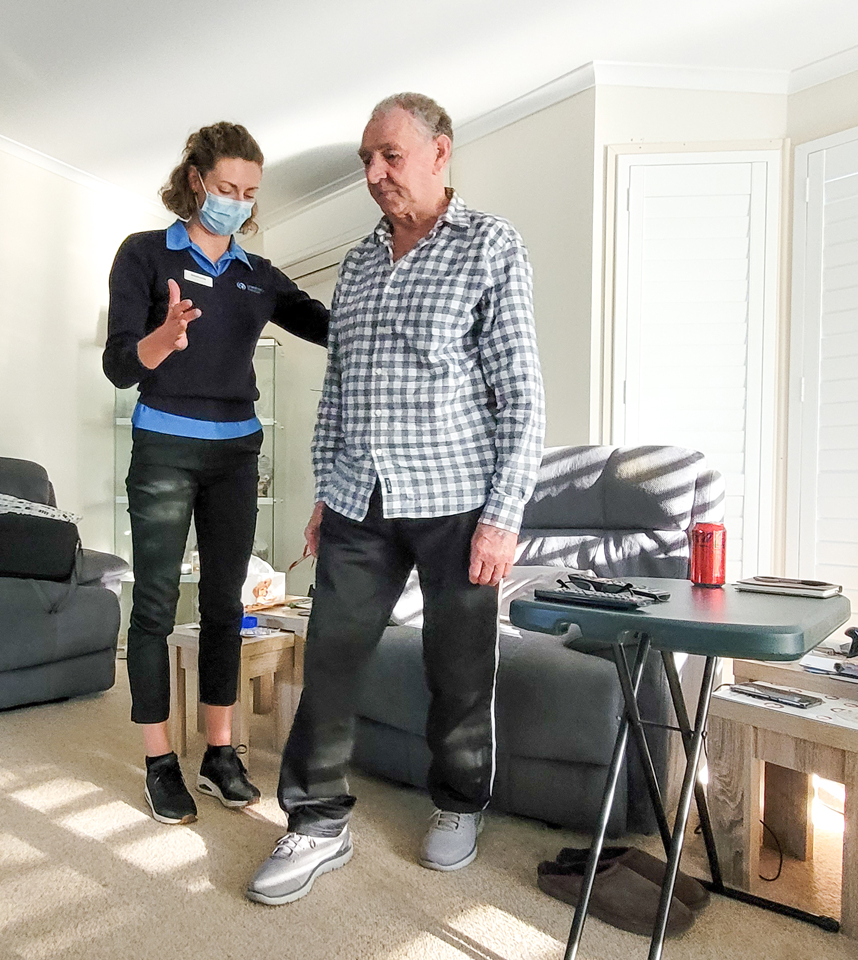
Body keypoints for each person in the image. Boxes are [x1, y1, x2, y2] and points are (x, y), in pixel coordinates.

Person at [246, 93, 544, 905]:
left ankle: (458, 801)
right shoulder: (359, 262)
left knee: (458, 667)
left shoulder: (490, 247)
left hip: (457, 499)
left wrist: (504, 515)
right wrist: (321, 493)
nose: (374, 175)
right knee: (331, 659)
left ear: (440, 153)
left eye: (390, 157)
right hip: (360, 498)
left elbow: (520, 393)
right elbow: (338, 389)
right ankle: (314, 821)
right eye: (365, 162)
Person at [103, 122, 330, 826]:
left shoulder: (257, 275)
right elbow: (117, 365)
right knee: (156, 602)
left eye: (249, 193)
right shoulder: (144, 254)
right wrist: (163, 339)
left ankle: (220, 755)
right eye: (227, 187)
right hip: (165, 446)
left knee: (226, 605)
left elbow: (324, 323)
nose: (237, 201)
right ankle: (159, 760)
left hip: (236, 454)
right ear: (197, 178)